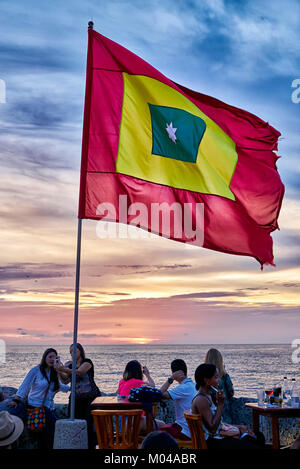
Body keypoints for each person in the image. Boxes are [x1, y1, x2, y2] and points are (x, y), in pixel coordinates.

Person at [6, 348, 70, 449]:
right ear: (44, 358)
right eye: (50, 357)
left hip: (48, 408)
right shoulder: (36, 370)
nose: (52, 359)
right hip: (36, 406)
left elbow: (61, 386)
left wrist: (73, 388)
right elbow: (25, 385)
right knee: (56, 426)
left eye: (54, 357)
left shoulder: (54, 373)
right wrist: (16, 399)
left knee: (46, 436)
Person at [192, 364, 265, 449]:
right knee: (255, 443)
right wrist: (220, 405)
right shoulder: (201, 400)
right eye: (215, 377)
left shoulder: (206, 396)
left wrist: (238, 427)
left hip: (217, 439)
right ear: (207, 381)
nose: (218, 380)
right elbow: (212, 429)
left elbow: (217, 424)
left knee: (259, 437)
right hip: (213, 443)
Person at [55, 343, 100, 449]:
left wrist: (62, 369)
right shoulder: (70, 365)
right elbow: (65, 380)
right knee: (74, 421)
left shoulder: (87, 362)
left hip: (90, 397)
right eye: (70, 352)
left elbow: (79, 372)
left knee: (88, 423)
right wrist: (58, 370)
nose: (72, 353)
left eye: (75, 351)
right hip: (76, 398)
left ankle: (90, 446)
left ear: (81, 351)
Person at [117, 360, 164, 433]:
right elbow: (153, 387)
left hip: (120, 421)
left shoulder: (122, 382)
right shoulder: (138, 382)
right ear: (139, 372)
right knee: (162, 425)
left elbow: (118, 393)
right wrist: (148, 375)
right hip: (132, 421)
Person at [159, 359, 197, 440]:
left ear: (175, 372)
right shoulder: (194, 385)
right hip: (193, 428)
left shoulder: (183, 388)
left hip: (184, 430)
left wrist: (171, 379)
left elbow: (160, 394)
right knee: (160, 425)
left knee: (155, 433)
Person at [204, 348, 234, 422]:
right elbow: (231, 392)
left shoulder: (205, 377)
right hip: (224, 412)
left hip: (209, 413)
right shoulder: (224, 376)